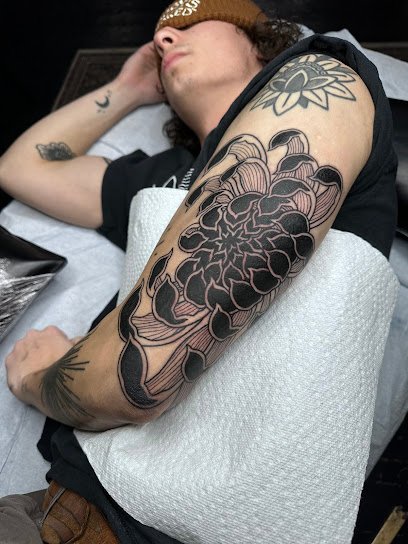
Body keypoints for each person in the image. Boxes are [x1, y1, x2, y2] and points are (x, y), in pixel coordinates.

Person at [0, 0, 397, 541]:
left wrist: (39, 377)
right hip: (68, 500)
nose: (165, 39)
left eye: (190, 21)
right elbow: (21, 167)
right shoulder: (160, 177)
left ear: (260, 41)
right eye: (160, 36)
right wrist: (128, 89)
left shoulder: (319, 80)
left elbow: (139, 374)